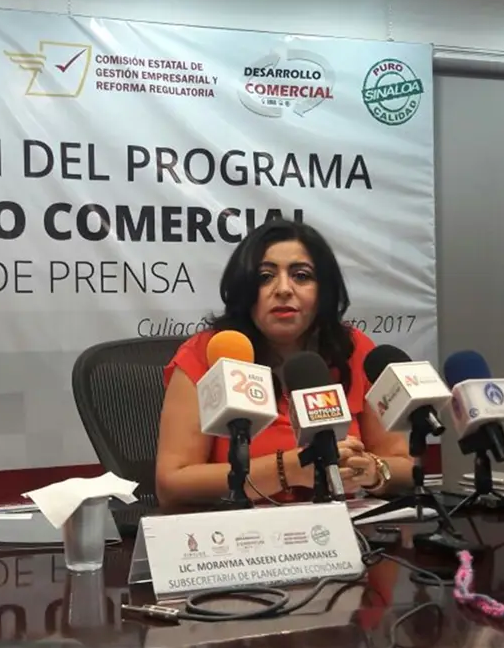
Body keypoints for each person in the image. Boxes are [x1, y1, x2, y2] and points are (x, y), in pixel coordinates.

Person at [155, 218, 414, 509]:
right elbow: (172, 484)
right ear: (244, 289)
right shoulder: (208, 352)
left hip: (341, 526)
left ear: (324, 290)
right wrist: (287, 470)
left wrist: (371, 471)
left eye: (301, 276)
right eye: (265, 277)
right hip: (240, 529)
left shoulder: (353, 350)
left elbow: (404, 466)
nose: (283, 289)